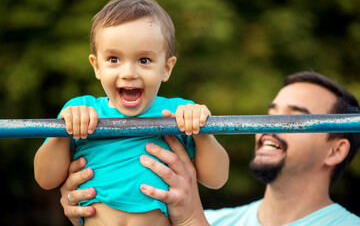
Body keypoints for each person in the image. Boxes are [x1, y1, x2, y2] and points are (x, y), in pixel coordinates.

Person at [61, 71, 360, 225]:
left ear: (335, 150)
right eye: (271, 113)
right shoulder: (215, 221)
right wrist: (98, 207)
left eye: (294, 118)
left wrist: (191, 220)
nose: (268, 125)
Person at [34, 0, 229, 226]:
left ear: (166, 68)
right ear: (96, 66)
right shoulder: (82, 111)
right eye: (114, 59)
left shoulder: (177, 112)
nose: (128, 72)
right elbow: (45, 179)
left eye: (144, 60)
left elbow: (217, 178)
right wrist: (63, 134)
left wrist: (203, 131)